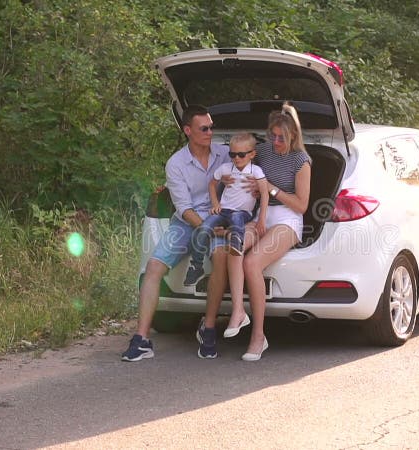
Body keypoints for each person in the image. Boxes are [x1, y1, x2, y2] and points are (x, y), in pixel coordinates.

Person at [199, 102, 311, 361]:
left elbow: (301, 205)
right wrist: (226, 177)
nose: (276, 141)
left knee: (252, 263)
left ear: (293, 134)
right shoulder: (262, 151)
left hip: (287, 219)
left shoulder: (301, 160)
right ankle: (238, 312)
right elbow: (238, 158)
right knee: (234, 245)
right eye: (272, 135)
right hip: (259, 215)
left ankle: (258, 337)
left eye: (281, 137)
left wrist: (269, 188)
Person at [121, 104, 230, 362]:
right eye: (204, 128)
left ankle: (209, 328)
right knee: (154, 266)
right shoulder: (176, 164)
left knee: (221, 256)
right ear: (188, 130)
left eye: (212, 127)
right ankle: (141, 339)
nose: (210, 132)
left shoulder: (225, 155)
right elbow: (184, 208)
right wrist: (206, 229)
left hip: (217, 219)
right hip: (186, 223)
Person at [184, 133, 269, 343]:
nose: (236, 158)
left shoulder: (256, 171)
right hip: (224, 210)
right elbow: (212, 185)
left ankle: (236, 243)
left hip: (242, 213)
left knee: (238, 222)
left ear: (252, 154)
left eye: (241, 154)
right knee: (203, 229)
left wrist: (262, 220)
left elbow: (265, 194)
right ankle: (195, 265)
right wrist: (215, 204)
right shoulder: (226, 169)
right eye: (232, 154)